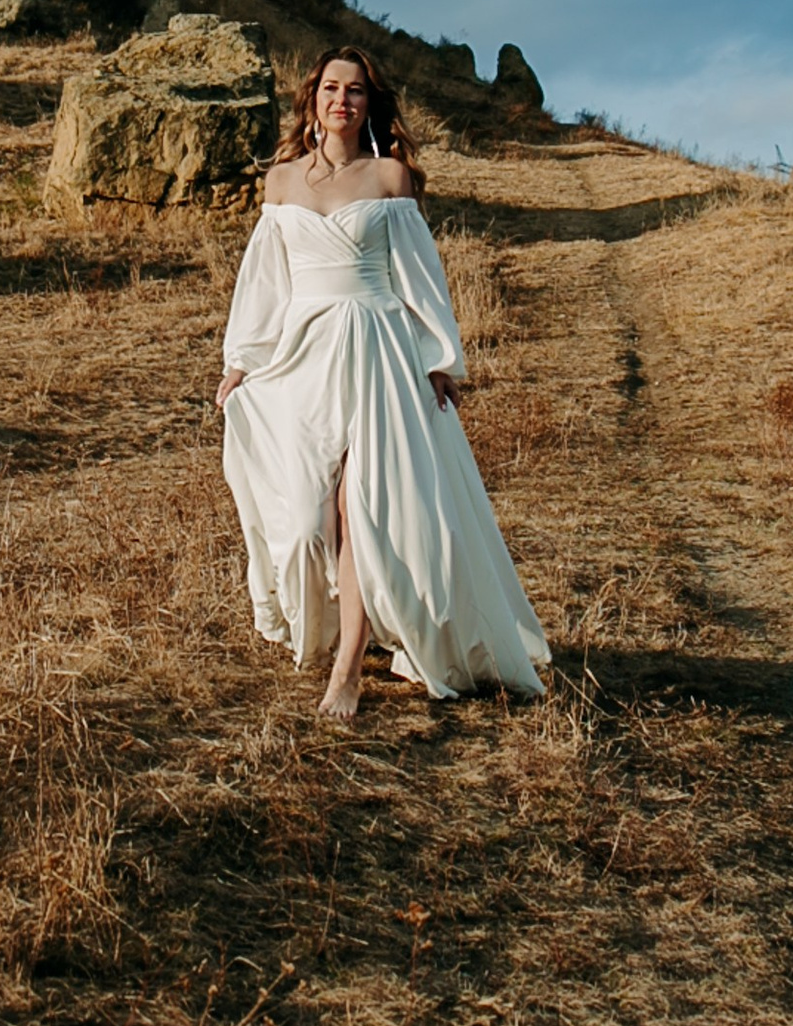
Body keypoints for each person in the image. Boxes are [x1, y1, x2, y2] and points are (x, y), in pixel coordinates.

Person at [215, 47, 551, 721]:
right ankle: (343, 621)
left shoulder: (389, 178)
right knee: (308, 520)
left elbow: (420, 278)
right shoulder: (281, 183)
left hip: (379, 351)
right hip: (304, 357)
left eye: (356, 91)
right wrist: (241, 362)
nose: (342, 100)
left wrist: (438, 359)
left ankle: (347, 671)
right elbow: (265, 285)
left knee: (365, 510)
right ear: (313, 100)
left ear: (370, 104)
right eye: (331, 88)